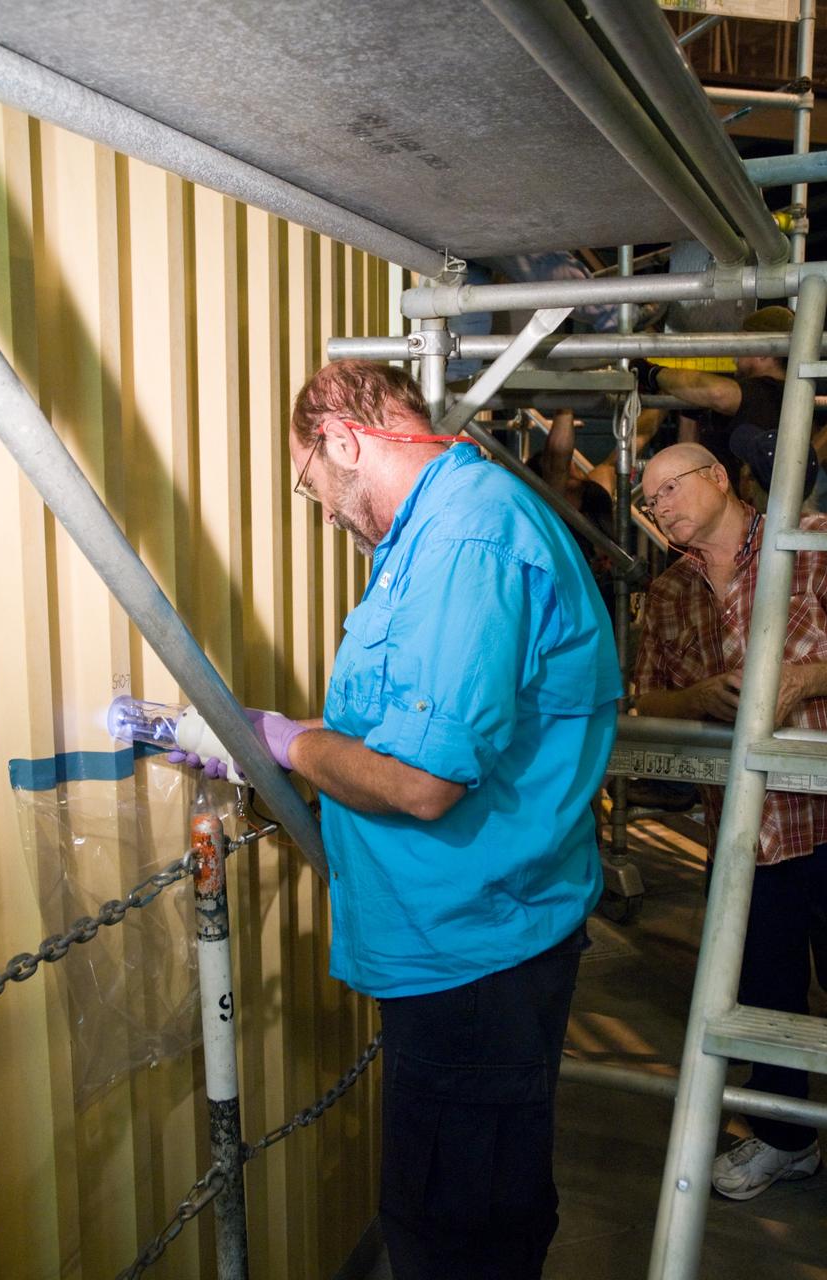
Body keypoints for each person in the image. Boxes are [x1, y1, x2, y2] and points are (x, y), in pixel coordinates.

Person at [189, 360, 621, 1277]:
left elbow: (424, 784)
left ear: (347, 442)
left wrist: (290, 745)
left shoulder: (467, 538)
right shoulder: (440, 533)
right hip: (477, 939)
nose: (323, 511)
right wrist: (314, 738)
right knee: (481, 1213)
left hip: (476, 954)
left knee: (448, 1234)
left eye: (313, 484)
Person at [633, 441, 827, 1201]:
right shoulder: (673, 590)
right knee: (763, 991)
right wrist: (700, 698)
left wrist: (805, 678)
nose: (660, 508)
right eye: (650, 502)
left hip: (822, 811)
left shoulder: (808, 543)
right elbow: (649, 697)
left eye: (669, 489)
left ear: (717, 476)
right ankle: (787, 1140)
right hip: (749, 827)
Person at [632, 305, 795, 488]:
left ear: (763, 351)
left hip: (749, 504)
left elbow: (717, 393)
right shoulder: (752, 392)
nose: (735, 355)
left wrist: (651, 372)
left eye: (743, 344)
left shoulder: (771, 392)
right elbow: (690, 434)